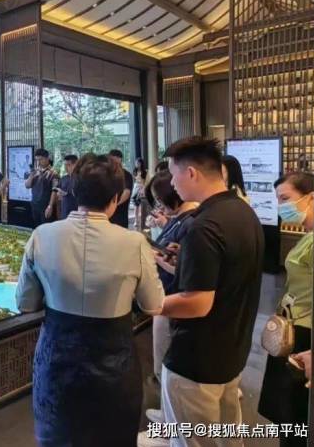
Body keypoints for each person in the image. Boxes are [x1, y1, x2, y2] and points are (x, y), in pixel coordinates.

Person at [16, 154, 164, 446]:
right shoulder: (134, 243)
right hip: (115, 365)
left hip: (56, 362)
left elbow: (25, 303)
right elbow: (154, 305)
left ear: (73, 190)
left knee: (57, 436)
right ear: (115, 198)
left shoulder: (42, 236)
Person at [141, 137, 264, 447]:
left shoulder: (203, 226)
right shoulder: (243, 212)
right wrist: (183, 262)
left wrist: (151, 303)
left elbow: (197, 303)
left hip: (197, 360)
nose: (172, 183)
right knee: (228, 436)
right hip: (232, 349)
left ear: (192, 173)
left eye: (173, 174)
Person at [258, 172, 314, 447]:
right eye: (278, 200)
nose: (281, 206)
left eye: (286, 198)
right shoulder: (309, 234)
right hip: (292, 327)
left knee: (296, 412)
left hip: (307, 332)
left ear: (311, 197)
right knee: (286, 412)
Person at [142, 171, 199, 424]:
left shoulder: (191, 222)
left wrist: (158, 259)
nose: (158, 205)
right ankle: (168, 416)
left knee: (167, 363)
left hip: (174, 300)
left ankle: (170, 427)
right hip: (168, 297)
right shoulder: (182, 219)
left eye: (159, 199)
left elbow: (187, 270)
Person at [24, 148, 59, 227]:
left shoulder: (53, 173)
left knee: (46, 229)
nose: (38, 162)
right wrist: (31, 175)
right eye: (37, 160)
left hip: (46, 206)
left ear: (47, 158)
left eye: (40, 159)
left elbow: (54, 190)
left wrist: (50, 206)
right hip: (35, 205)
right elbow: (27, 185)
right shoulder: (35, 172)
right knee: (36, 228)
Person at [108, 149, 133, 229]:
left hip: (120, 216)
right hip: (107, 217)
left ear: (120, 161)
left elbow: (127, 192)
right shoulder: (106, 174)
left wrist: (115, 204)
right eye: (113, 163)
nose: (115, 165)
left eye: (117, 163)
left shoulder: (126, 175)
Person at [50, 154, 79, 220]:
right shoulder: (63, 178)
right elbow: (55, 190)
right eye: (65, 165)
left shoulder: (81, 178)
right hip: (64, 212)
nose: (66, 168)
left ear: (76, 165)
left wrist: (66, 193)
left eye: (68, 165)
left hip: (76, 213)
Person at [132, 157, 150, 231]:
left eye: (138, 163)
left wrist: (143, 189)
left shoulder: (145, 171)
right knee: (136, 206)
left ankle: (144, 221)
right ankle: (136, 220)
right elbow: (134, 181)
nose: (137, 164)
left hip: (142, 189)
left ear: (141, 163)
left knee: (143, 206)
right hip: (136, 188)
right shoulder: (134, 171)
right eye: (136, 163)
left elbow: (146, 182)